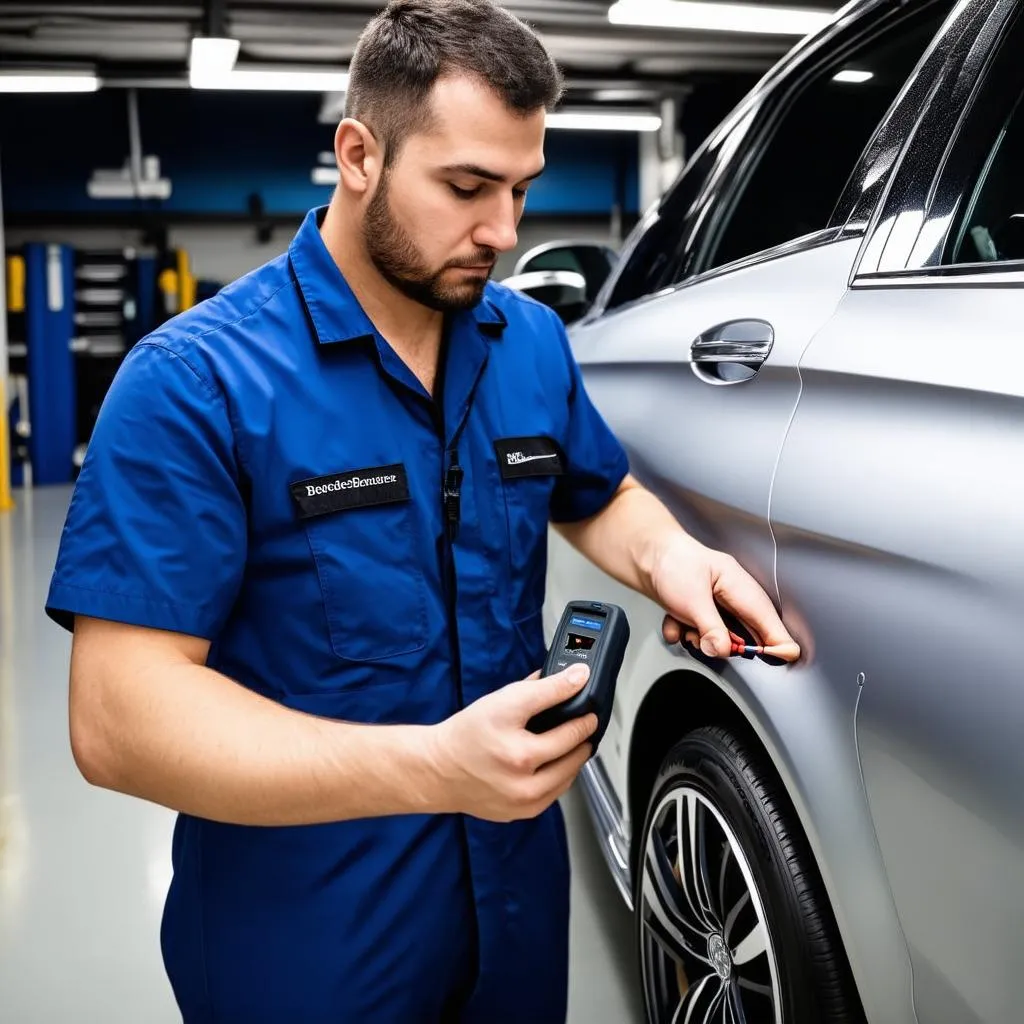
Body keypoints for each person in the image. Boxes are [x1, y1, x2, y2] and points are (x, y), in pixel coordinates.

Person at [45, 1, 801, 1020]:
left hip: (514, 922)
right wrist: (433, 766)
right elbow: (117, 716)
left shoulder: (529, 342)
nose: (503, 229)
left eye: (521, 188)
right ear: (358, 153)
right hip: (306, 946)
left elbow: (597, 493)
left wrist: (668, 556)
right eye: (465, 186)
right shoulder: (194, 383)